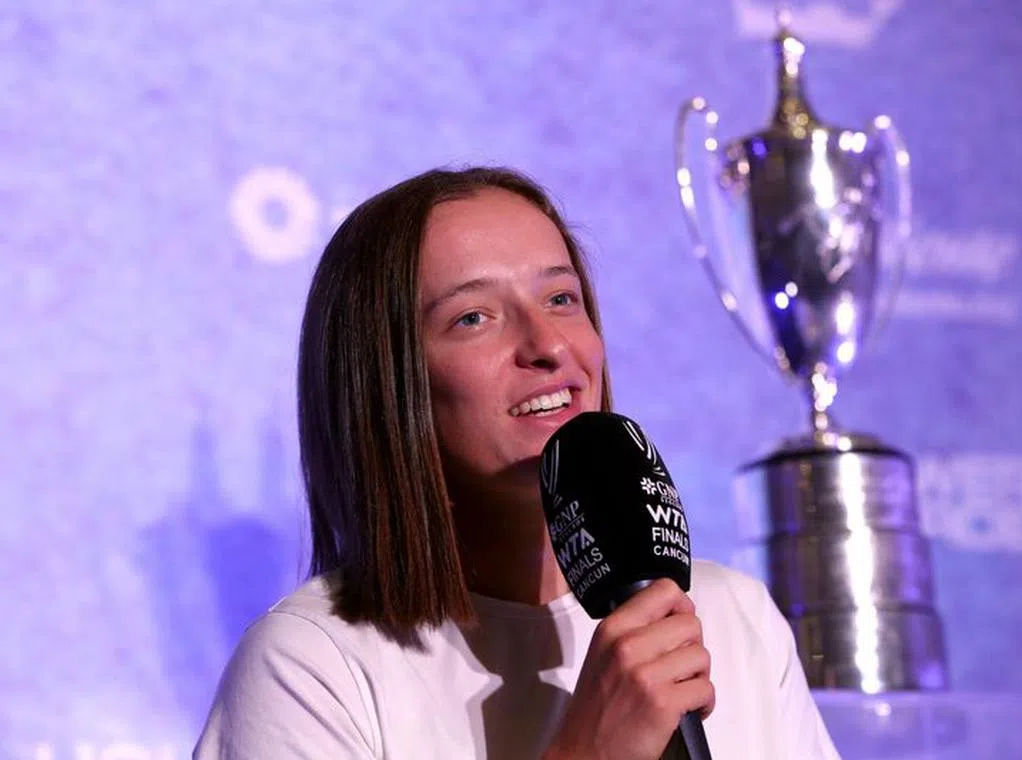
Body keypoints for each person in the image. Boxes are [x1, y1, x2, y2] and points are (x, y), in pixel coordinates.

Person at [193, 166, 841, 759]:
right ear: (386, 383)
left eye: (561, 299)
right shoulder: (311, 666)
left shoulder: (734, 614)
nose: (548, 344)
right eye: (474, 317)